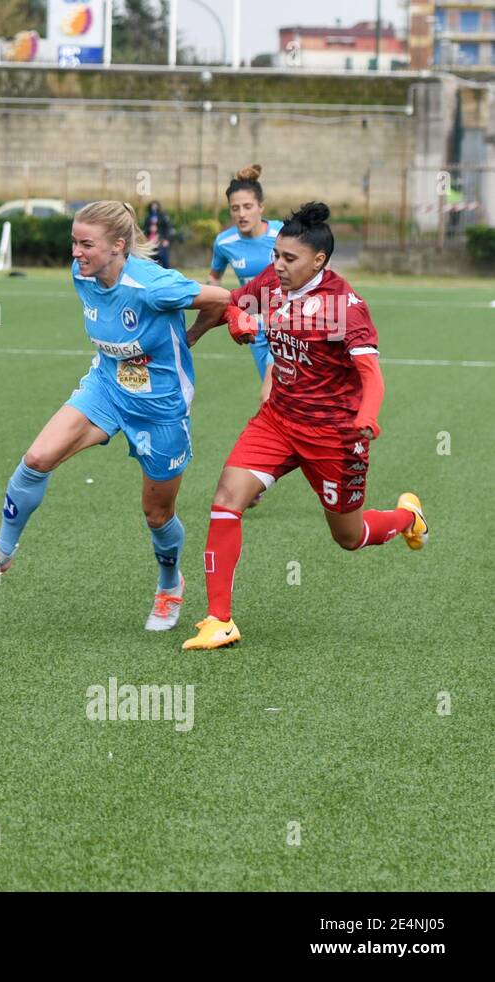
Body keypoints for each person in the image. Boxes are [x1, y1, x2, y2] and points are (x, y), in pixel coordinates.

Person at [0, 201, 231, 632]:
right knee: (37, 459)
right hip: (107, 387)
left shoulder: (153, 285)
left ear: (118, 246)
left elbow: (224, 299)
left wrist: (191, 335)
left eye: (86, 244)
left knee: (157, 515)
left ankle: (170, 584)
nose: (76, 252)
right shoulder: (82, 274)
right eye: (74, 243)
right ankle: (2, 551)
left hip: (160, 408)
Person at [181, 202, 429, 651]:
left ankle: (408, 518)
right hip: (278, 420)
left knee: (348, 537)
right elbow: (233, 304)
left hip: (335, 436)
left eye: (288, 259)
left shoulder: (344, 307)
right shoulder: (271, 283)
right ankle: (219, 620)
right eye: (276, 255)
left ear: (318, 261)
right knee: (226, 499)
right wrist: (208, 328)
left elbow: (371, 373)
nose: (277, 265)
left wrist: (367, 416)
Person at [208, 164, 283, 400]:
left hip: (286, 324)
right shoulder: (224, 242)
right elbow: (214, 280)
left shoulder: (283, 234)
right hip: (254, 328)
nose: (242, 214)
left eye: (248, 206)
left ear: (261, 206)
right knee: (279, 400)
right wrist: (223, 308)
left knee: (269, 394)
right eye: (235, 208)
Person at [142, 200, 174, 268]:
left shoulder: (162, 216)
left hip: (161, 240)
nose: (154, 207)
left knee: (164, 258)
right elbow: (144, 229)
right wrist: (149, 229)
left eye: (155, 206)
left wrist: (166, 239)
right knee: (152, 259)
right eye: (153, 206)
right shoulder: (148, 217)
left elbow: (167, 228)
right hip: (151, 241)